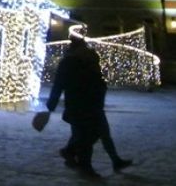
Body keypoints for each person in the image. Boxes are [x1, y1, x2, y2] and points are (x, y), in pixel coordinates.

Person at [46, 36, 132, 176]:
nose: (85, 48)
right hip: (79, 106)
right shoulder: (71, 62)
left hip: (92, 104)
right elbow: (59, 85)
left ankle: (113, 160)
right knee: (86, 136)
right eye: (82, 46)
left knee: (100, 133)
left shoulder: (88, 60)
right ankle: (84, 165)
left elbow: (96, 80)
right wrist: (51, 106)